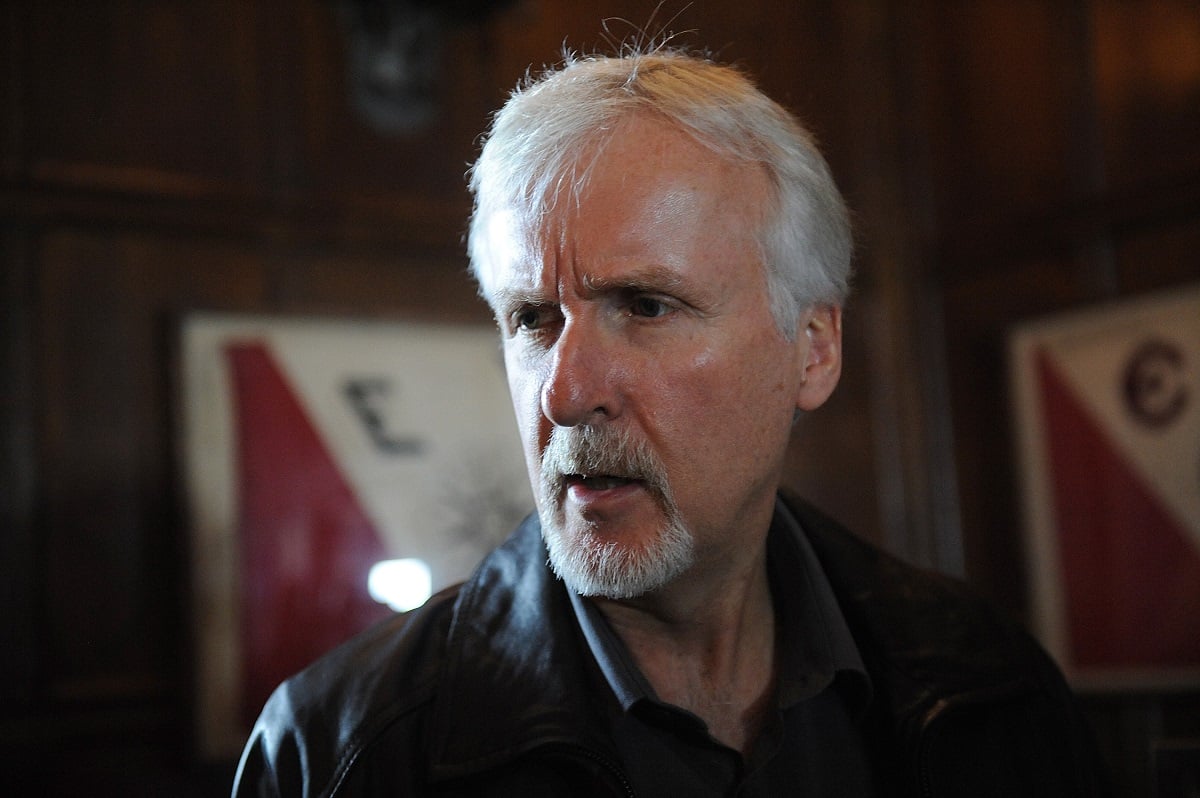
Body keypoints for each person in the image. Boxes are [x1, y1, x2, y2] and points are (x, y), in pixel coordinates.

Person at [232, 47, 1109, 797]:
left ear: (812, 351)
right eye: (533, 318)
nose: (564, 394)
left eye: (646, 306)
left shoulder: (987, 685)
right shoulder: (341, 751)